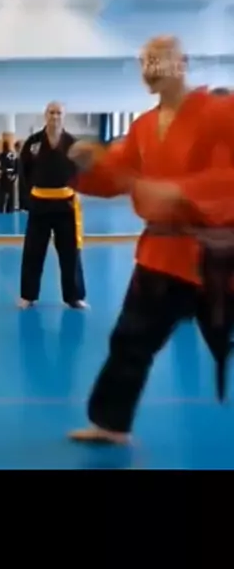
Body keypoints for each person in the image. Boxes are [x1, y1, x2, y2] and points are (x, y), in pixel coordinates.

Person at [66, 36, 231, 445]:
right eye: (144, 61)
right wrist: (90, 165)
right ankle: (111, 424)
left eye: (158, 59)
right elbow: (116, 175)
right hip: (162, 256)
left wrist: (182, 191)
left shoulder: (221, 112)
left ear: (182, 62)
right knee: (131, 339)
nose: (150, 68)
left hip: (219, 255)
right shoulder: (142, 126)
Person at [18, 102, 87, 310]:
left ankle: (74, 296)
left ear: (64, 116)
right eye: (51, 112)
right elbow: (24, 172)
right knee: (33, 251)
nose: (55, 116)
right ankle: (28, 295)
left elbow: (82, 172)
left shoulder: (73, 144)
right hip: (39, 203)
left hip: (66, 204)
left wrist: (78, 192)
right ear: (45, 115)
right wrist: (26, 200)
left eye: (59, 113)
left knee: (70, 252)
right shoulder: (33, 143)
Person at [0, 140, 18, 214]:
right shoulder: (12, 154)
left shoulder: (3, 154)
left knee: (2, 192)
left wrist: (2, 173)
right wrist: (14, 174)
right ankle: (10, 208)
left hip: (5, 175)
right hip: (12, 175)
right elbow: (16, 164)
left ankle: (0, 208)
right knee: (11, 193)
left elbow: (2, 165)